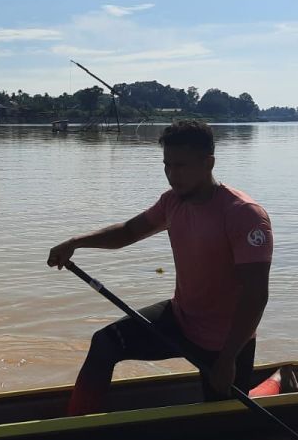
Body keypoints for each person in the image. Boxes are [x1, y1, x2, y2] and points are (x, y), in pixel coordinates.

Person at [46, 120, 272, 415]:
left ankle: (277, 381)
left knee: (223, 430)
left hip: (227, 341)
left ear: (209, 163)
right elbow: (127, 232)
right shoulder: (172, 203)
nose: (171, 175)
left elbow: (256, 295)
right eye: (167, 165)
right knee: (105, 343)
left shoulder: (244, 214)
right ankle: (75, 425)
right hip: (181, 320)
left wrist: (228, 358)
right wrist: (75, 242)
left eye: (180, 166)